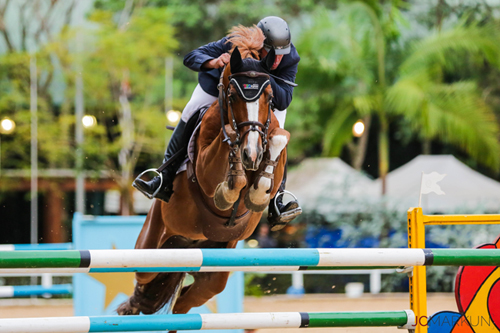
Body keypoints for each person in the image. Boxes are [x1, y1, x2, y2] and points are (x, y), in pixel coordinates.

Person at [134, 16, 301, 229]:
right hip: (219, 90)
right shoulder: (234, 43)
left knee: (280, 137)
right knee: (189, 112)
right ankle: (164, 175)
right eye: (270, 53)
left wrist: (263, 73)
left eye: (281, 54)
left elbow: (285, 98)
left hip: (264, 99)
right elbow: (191, 57)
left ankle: (278, 199)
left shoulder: (290, 57)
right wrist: (213, 62)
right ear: (258, 43)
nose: (277, 60)